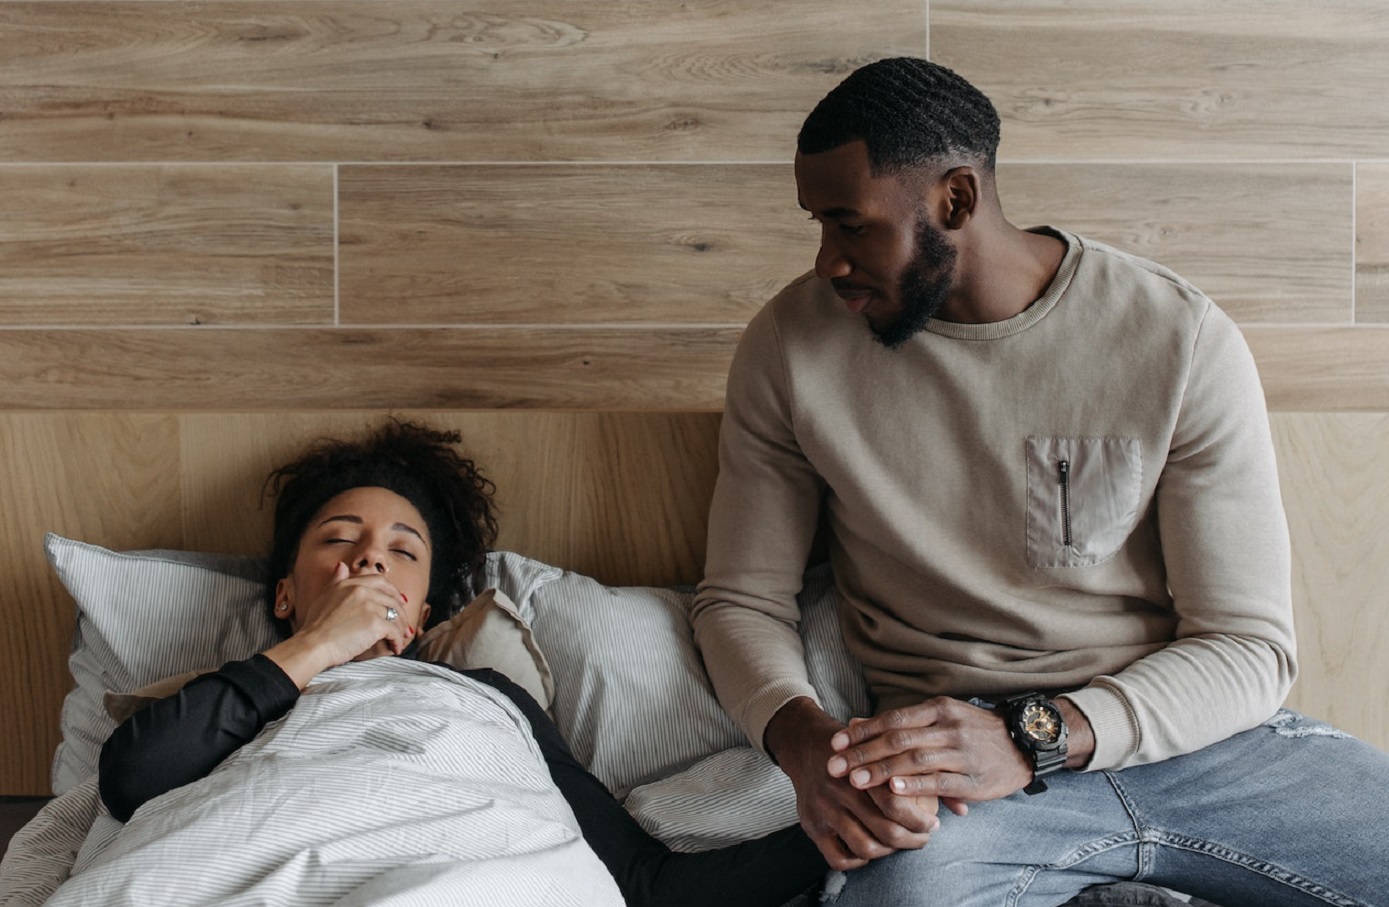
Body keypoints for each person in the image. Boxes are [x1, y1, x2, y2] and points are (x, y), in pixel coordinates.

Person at [690, 56, 1389, 906]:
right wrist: (803, 746)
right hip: (953, 773)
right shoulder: (788, 346)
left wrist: (1037, 735)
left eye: (850, 225)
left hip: (1190, 739)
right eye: (817, 226)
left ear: (955, 199)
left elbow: (1247, 647)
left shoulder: (1177, 338)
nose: (828, 261)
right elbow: (739, 599)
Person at [97, 419, 826, 907]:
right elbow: (134, 781)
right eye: (337, 539)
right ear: (284, 592)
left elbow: (642, 881)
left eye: (401, 549)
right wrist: (317, 646)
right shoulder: (227, 701)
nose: (369, 555)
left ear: (421, 615)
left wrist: (837, 830)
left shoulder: (482, 698)